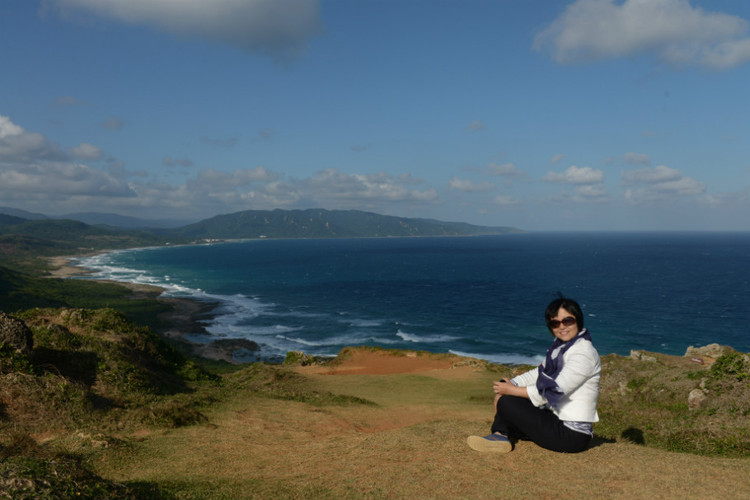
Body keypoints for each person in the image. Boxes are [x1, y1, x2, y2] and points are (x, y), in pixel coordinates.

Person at [467, 296, 601, 454]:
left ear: (578, 320)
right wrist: (512, 384)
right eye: (555, 323)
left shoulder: (584, 353)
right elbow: (539, 373)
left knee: (508, 401)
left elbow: (554, 391)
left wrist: (509, 391)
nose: (562, 326)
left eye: (568, 321)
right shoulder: (561, 348)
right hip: (555, 419)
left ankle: (501, 434)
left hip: (571, 435)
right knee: (508, 392)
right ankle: (500, 434)